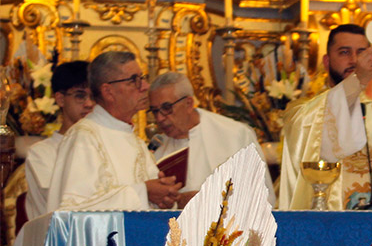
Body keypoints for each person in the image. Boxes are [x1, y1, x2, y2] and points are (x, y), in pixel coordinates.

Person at [279, 24, 372, 210]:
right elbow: (305, 124)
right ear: (327, 61)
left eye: (362, 53)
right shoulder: (302, 108)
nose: (355, 60)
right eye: (344, 52)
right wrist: (359, 79)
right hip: (326, 224)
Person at [45, 51, 181, 211]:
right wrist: (144, 192)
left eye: (142, 78)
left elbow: (152, 196)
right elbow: (73, 212)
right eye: (134, 80)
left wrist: (165, 197)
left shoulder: (136, 142)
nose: (145, 87)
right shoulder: (84, 137)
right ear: (108, 92)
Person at [149, 72, 275, 207]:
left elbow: (262, 196)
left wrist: (207, 201)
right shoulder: (157, 148)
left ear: (189, 103)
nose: (159, 118)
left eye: (166, 108)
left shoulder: (235, 135)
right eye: (155, 111)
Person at [22, 60, 94, 220]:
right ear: (60, 99)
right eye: (80, 96)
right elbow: (61, 202)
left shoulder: (104, 147)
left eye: (94, 96)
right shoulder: (41, 153)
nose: (89, 104)